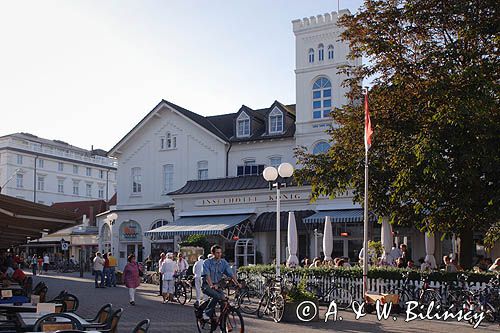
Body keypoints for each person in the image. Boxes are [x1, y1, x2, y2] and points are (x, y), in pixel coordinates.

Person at [201, 245, 240, 321]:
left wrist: (237, 283)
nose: (219, 254)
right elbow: (207, 275)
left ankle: (223, 322)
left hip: (217, 285)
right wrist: (211, 285)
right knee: (217, 296)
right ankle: (206, 313)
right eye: (217, 253)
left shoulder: (223, 262)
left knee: (224, 301)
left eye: (220, 253)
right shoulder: (207, 262)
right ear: (212, 253)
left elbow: (231, 273)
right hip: (207, 285)